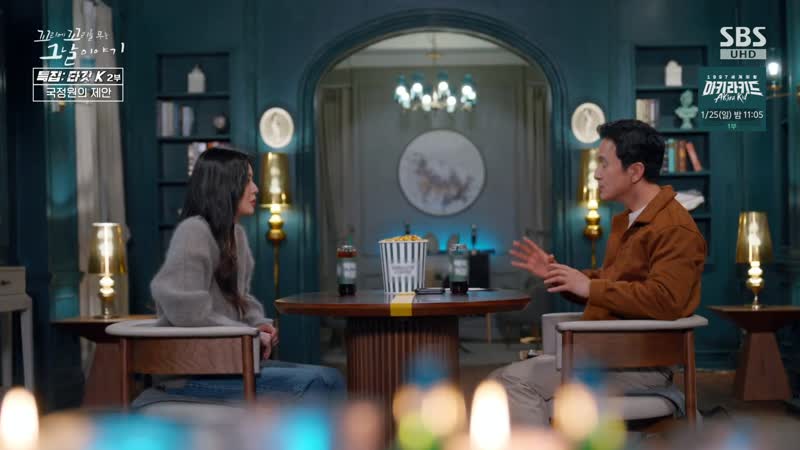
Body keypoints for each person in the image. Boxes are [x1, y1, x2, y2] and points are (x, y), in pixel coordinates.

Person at [492, 119, 707, 425]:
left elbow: (666, 300)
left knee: (512, 381)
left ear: (635, 171)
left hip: (638, 363)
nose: (596, 173)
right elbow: (614, 288)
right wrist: (557, 274)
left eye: (604, 163)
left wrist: (589, 287)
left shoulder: (673, 228)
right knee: (499, 379)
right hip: (611, 354)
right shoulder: (631, 220)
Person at [150, 146, 345, 401]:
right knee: (321, 381)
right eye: (248, 180)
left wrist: (256, 323)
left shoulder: (236, 235)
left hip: (229, 364)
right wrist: (248, 334)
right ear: (224, 186)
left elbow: (239, 299)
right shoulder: (193, 232)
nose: (255, 189)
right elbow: (186, 311)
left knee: (331, 377)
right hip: (193, 373)